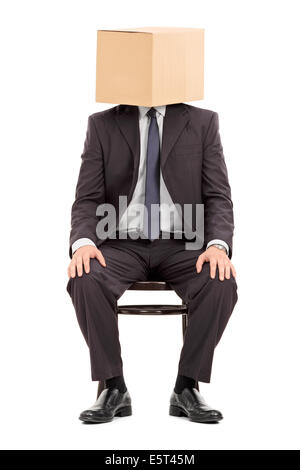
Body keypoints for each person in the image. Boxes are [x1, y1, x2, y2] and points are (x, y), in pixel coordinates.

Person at [66, 103, 238, 424]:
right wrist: (84, 243)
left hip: (185, 243)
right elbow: (87, 198)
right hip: (118, 242)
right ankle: (113, 388)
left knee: (220, 280)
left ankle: (187, 386)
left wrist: (217, 246)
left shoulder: (202, 122)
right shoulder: (102, 124)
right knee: (85, 274)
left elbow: (217, 195)